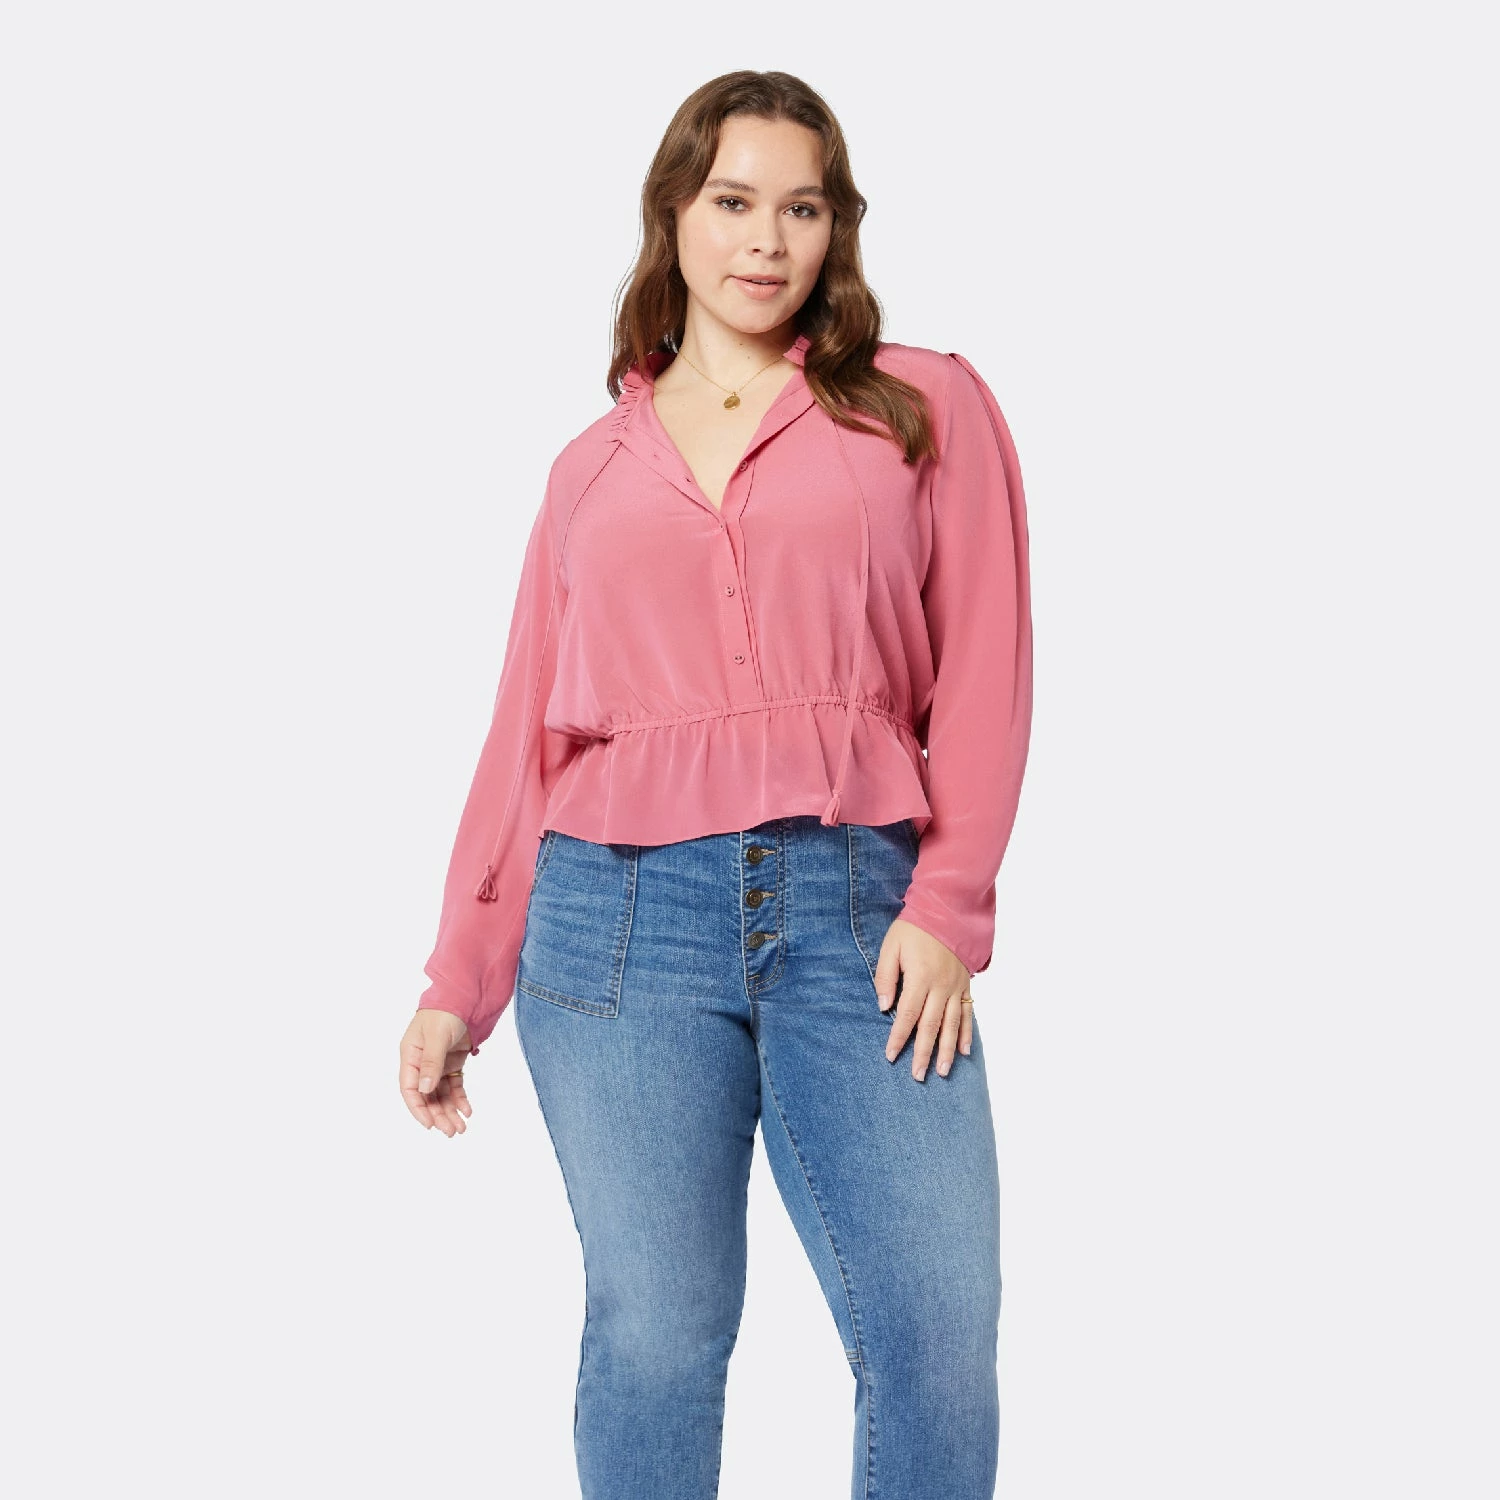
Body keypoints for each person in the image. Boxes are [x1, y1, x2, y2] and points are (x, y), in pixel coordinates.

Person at [398, 68, 1033, 1500]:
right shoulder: (588, 471)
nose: (766, 239)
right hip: (615, 927)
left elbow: (989, 665)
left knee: (936, 1334)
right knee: (656, 1337)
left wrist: (949, 902)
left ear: (836, 228)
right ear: (673, 216)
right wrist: (458, 980)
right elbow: (526, 740)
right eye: (734, 202)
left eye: (802, 208)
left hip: (861, 919)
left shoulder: (921, 406)